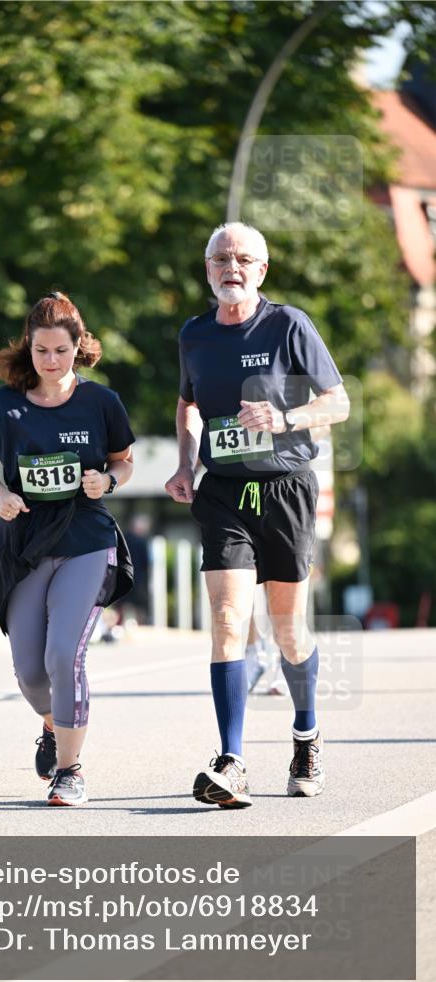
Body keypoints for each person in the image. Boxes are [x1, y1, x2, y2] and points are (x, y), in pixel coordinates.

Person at [165, 222, 349, 808]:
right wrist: (185, 463)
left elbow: (338, 401)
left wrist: (285, 418)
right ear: (207, 270)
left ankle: (306, 736)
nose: (232, 268)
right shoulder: (194, 334)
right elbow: (188, 405)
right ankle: (232, 760)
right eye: (221, 259)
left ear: (261, 270)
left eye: (244, 259)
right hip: (223, 492)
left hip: (285, 489)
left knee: (288, 630)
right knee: (226, 619)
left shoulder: (288, 324)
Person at [0, 292, 135, 806]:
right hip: (25, 544)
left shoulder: (101, 402)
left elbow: (124, 461)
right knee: (29, 670)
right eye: (41, 350)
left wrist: (107, 481)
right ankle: (53, 724)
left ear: (77, 347)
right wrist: (2, 496)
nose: (51, 361)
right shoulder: (6, 405)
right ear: (29, 347)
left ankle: (70, 770)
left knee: (65, 654)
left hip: (86, 539)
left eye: (61, 350)